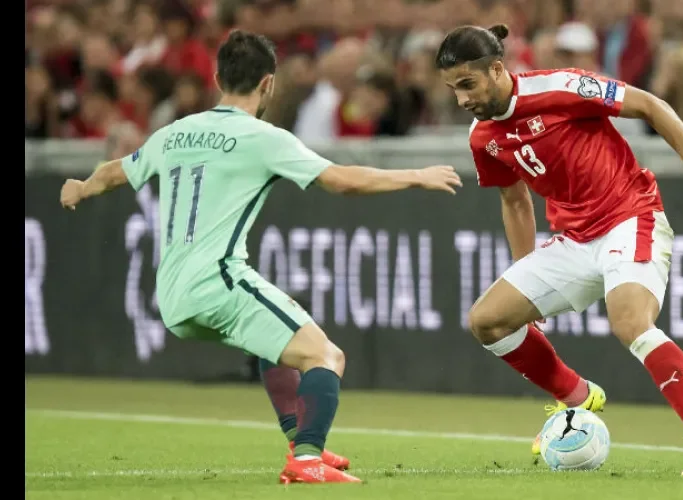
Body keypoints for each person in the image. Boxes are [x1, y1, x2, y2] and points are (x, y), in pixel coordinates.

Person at [59, 29, 462, 485]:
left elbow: (118, 170)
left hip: (171, 295)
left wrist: (82, 187)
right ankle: (306, 458)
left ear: (217, 79)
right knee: (326, 357)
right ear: (268, 83)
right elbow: (342, 180)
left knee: (277, 346)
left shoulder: (174, 133)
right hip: (219, 283)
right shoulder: (262, 138)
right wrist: (414, 175)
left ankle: (300, 440)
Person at [436, 24, 683, 478]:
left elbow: (650, 105)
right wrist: (527, 276)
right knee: (487, 321)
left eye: (468, 84)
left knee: (629, 322)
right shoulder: (483, 136)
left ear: (497, 69)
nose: (462, 99)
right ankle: (577, 397)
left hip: (629, 216)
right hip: (575, 239)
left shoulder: (561, 87)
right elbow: (515, 201)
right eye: (453, 89)